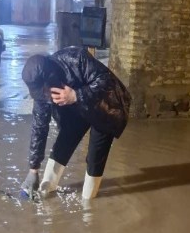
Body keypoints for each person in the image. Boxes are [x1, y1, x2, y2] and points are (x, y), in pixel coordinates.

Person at [21, 46, 131, 200]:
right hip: (77, 108)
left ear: (51, 77)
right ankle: (46, 190)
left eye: (46, 90)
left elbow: (106, 81)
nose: (45, 95)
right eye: (41, 93)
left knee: (95, 157)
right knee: (63, 142)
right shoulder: (42, 91)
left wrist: (76, 95)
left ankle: (88, 202)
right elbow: (39, 127)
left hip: (104, 106)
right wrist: (33, 170)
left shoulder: (76, 58)